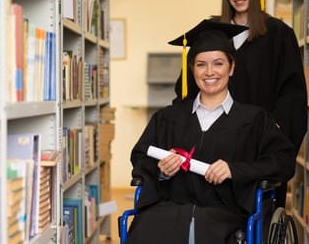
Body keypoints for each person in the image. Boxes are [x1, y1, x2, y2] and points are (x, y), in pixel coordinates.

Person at [126, 20, 296, 244]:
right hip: (166, 213)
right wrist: (161, 170)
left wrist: (234, 170)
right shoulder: (168, 117)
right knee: (144, 230)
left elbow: (283, 162)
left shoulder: (254, 120)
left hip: (226, 217)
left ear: (231, 67)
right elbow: (140, 155)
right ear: (192, 69)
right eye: (201, 64)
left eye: (218, 63)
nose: (209, 72)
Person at [174, 0, 308, 208]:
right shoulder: (212, 32)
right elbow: (188, 86)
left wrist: (273, 132)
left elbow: (292, 94)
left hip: (256, 147)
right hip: (214, 140)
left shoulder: (278, 34)